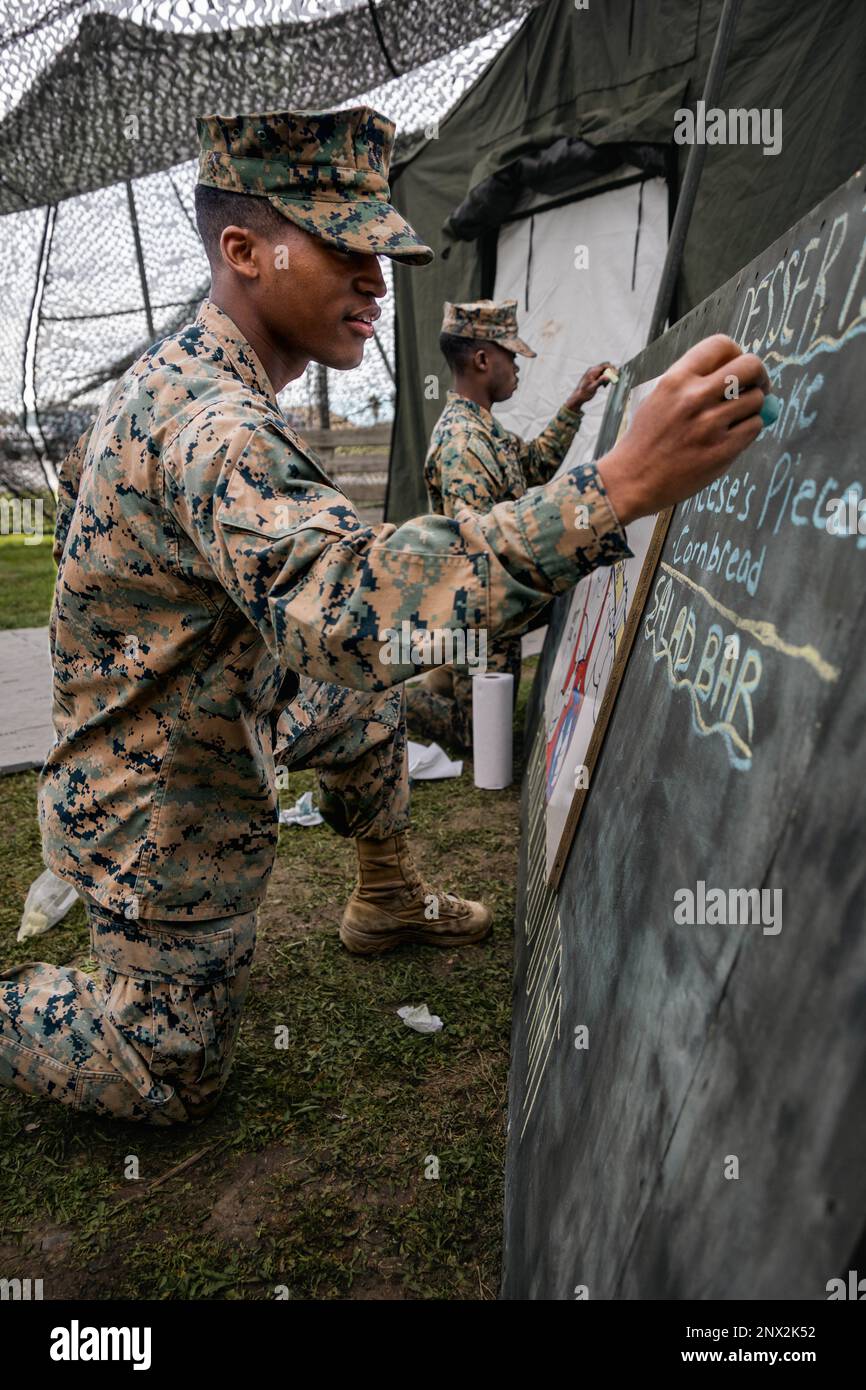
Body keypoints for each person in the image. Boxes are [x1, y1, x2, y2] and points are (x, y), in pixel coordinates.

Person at [0, 105, 769, 1125]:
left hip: (234, 697)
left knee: (364, 718)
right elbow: (349, 613)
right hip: (156, 791)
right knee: (165, 1070)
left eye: (382, 252)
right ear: (243, 249)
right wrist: (615, 487)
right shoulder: (209, 417)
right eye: (345, 249)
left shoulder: (205, 379)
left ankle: (387, 900)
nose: (377, 279)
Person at [407, 298, 615, 750]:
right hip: (478, 616)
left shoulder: (487, 431)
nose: (518, 368)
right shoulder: (465, 441)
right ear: (483, 359)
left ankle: (444, 677)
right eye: (512, 357)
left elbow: (535, 465)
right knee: (477, 735)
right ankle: (390, 702)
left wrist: (575, 402)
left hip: (491, 614)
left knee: (493, 724)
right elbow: (476, 549)